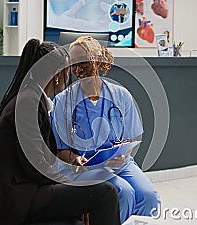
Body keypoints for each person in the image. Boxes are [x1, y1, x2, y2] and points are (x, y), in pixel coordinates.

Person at [0, 39, 121, 225]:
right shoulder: (27, 104)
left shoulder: (32, 98)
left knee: (95, 192)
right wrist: (74, 185)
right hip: (21, 198)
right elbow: (35, 165)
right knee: (106, 192)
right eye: (67, 70)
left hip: (29, 190)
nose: (69, 77)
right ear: (57, 74)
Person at [51, 36, 160, 223]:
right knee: (123, 193)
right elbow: (61, 149)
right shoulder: (63, 101)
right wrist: (75, 159)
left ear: (97, 61)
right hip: (83, 168)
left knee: (149, 196)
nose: (77, 70)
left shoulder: (121, 95)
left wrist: (122, 156)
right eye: (73, 65)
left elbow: (130, 138)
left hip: (119, 163)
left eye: (83, 63)